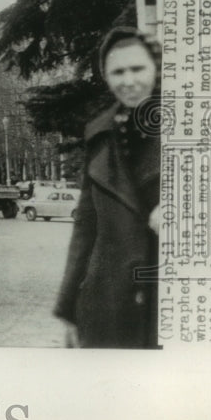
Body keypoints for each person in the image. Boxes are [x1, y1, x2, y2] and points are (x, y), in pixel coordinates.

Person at [54, 26, 162, 349]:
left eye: (137, 69)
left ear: (155, 68)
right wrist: (70, 309)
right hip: (109, 304)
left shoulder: (192, 124)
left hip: (170, 301)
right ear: (105, 76)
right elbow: (85, 227)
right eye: (118, 72)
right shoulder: (99, 134)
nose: (128, 81)